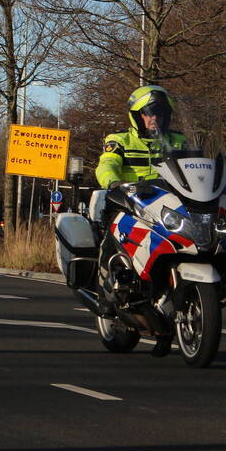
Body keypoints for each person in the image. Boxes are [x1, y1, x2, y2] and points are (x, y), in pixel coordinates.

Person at [94, 85, 185, 341]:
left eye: (159, 113)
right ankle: (105, 293)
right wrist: (113, 182)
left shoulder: (178, 141)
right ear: (137, 116)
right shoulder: (120, 140)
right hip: (127, 203)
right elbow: (106, 164)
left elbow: (198, 166)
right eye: (148, 112)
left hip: (167, 208)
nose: (154, 117)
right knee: (111, 243)